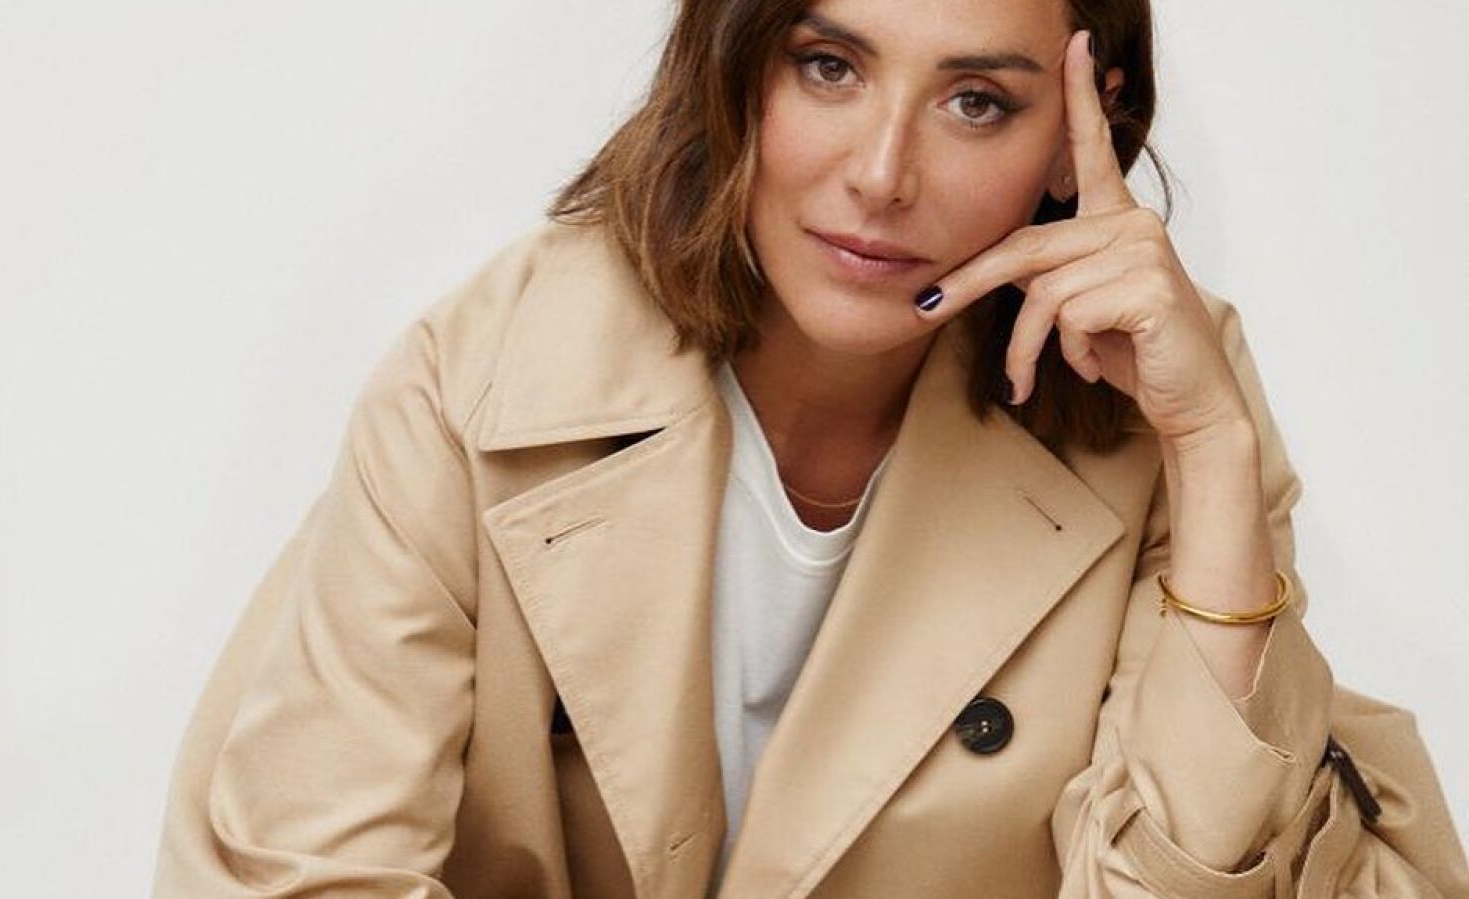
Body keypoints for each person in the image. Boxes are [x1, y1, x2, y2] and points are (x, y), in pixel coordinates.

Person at [150, 0, 1469, 896]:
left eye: (975, 102)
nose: (881, 174)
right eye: (829, 66)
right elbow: (311, 868)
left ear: (1079, 134)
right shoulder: (490, 374)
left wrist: (1214, 451)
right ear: (737, 64)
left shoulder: (1164, 409)